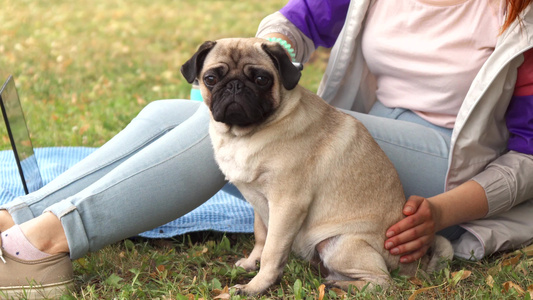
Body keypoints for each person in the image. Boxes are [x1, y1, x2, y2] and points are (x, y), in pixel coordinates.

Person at [1, 0, 532, 297]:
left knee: (224, 133)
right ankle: (19, 216)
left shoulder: (518, 17)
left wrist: (443, 210)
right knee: (179, 112)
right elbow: (295, 22)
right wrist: (266, 63)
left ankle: (43, 245)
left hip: (452, 162)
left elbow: (530, 157)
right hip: (367, 130)